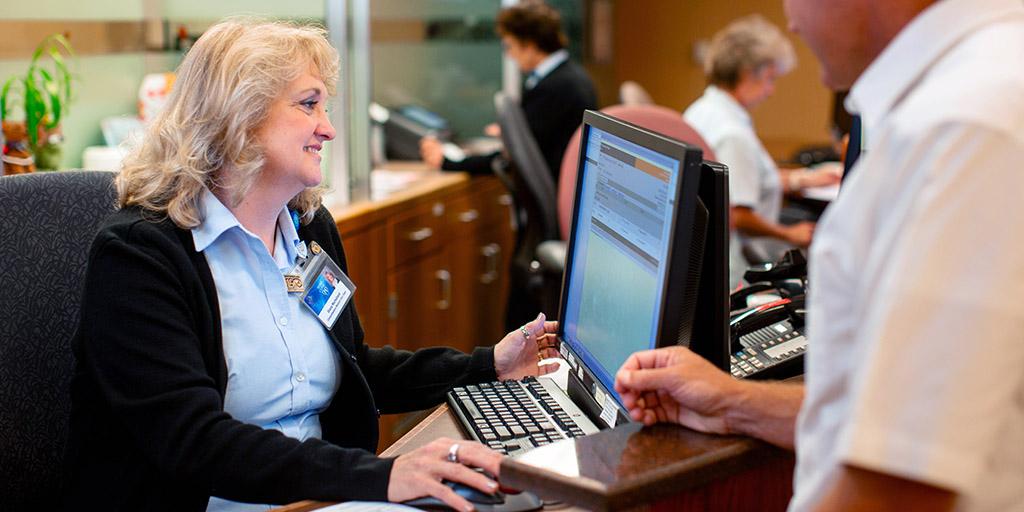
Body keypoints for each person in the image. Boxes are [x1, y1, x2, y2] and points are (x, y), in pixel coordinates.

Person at [63, 19, 562, 512]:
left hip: (321, 497)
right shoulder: (141, 255)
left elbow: (355, 368)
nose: (327, 126)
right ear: (241, 115)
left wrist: (488, 365)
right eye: (308, 104)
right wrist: (385, 477)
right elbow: (193, 441)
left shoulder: (307, 226)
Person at [615, 0, 1024, 510]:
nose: (790, 18)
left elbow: (899, 485)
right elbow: (884, 421)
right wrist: (733, 404)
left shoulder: (967, 126)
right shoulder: (963, 102)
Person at [683, 14, 840, 287]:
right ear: (747, 74)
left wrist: (801, 178)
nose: (770, 91)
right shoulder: (733, 134)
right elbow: (738, 214)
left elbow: (745, 179)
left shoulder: (703, 110)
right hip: (739, 269)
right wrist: (790, 234)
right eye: (770, 79)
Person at [420, 0, 597, 182]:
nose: (508, 54)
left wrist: (449, 163)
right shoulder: (570, 76)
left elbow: (515, 158)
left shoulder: (556, 88)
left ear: (529, 45)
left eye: (509, 46)